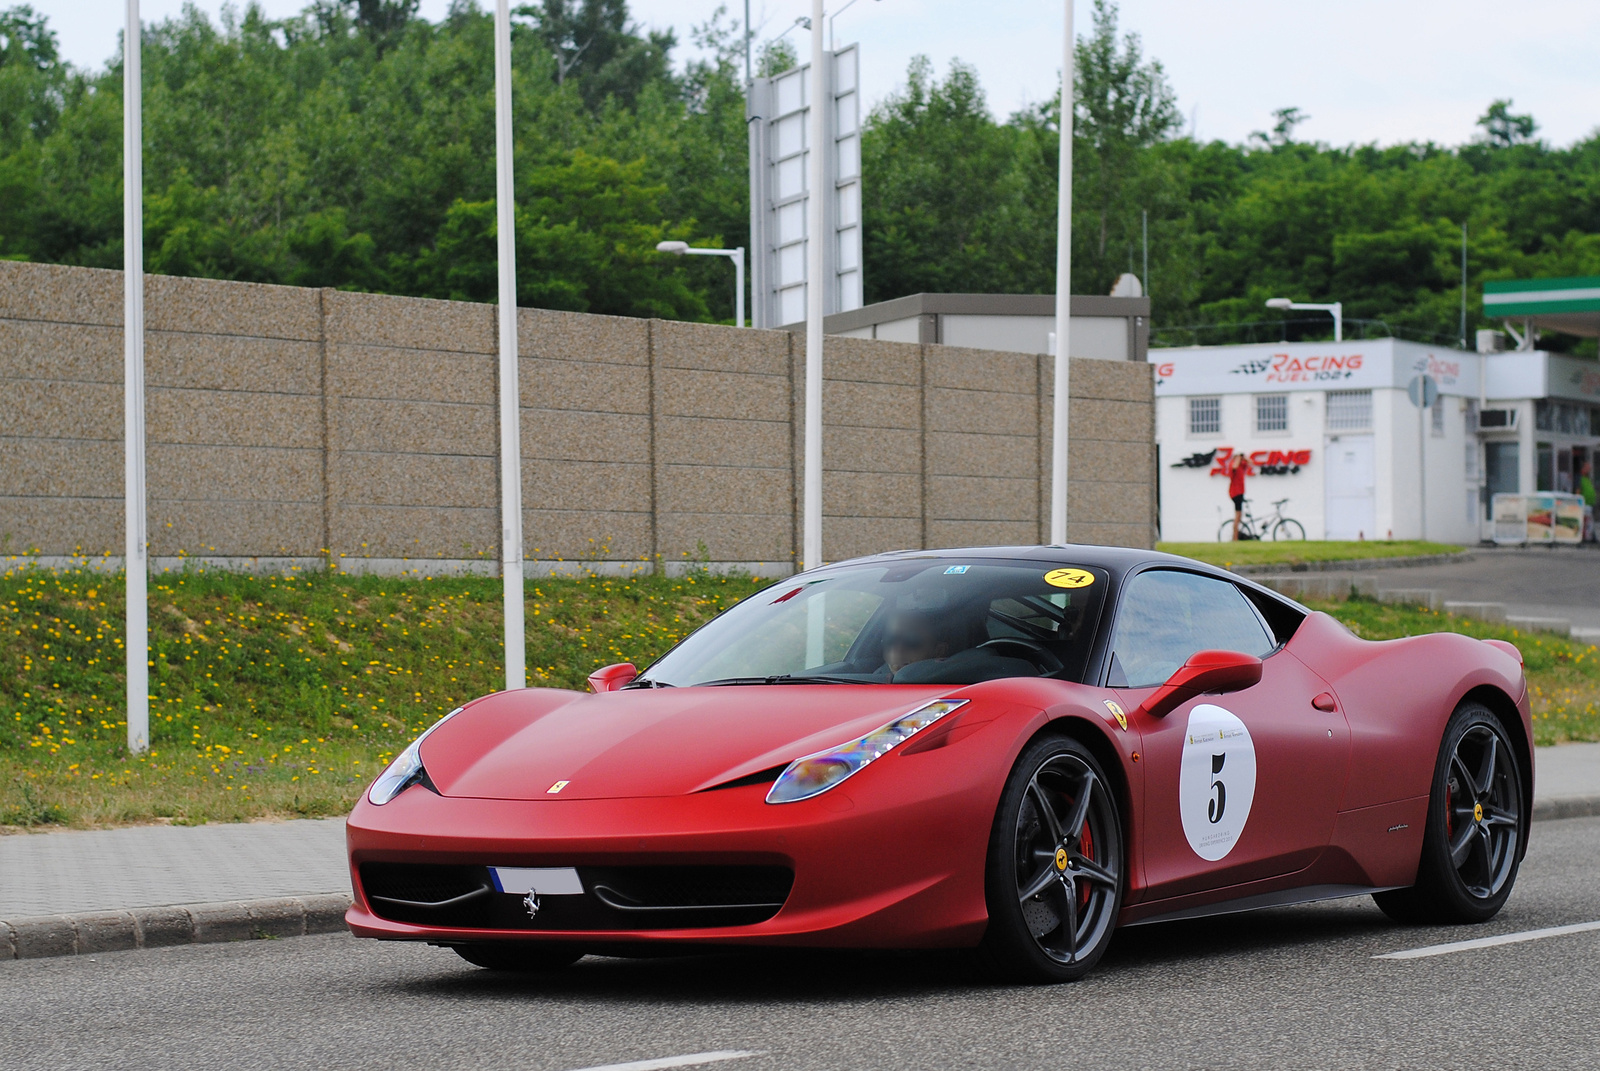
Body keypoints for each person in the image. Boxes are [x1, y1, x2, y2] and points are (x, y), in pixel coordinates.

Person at [1228, 452, 1249, 540]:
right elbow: (1234, 466)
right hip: (1235, 493)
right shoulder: (1232, 465)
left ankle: (1236, 536)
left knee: (1239, 516)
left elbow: (1250, 463)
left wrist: (1243, 457)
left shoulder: (1241, 465)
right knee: (1237, 515)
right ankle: (1235, 538)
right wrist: (1237, 458)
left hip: (1240, 492)